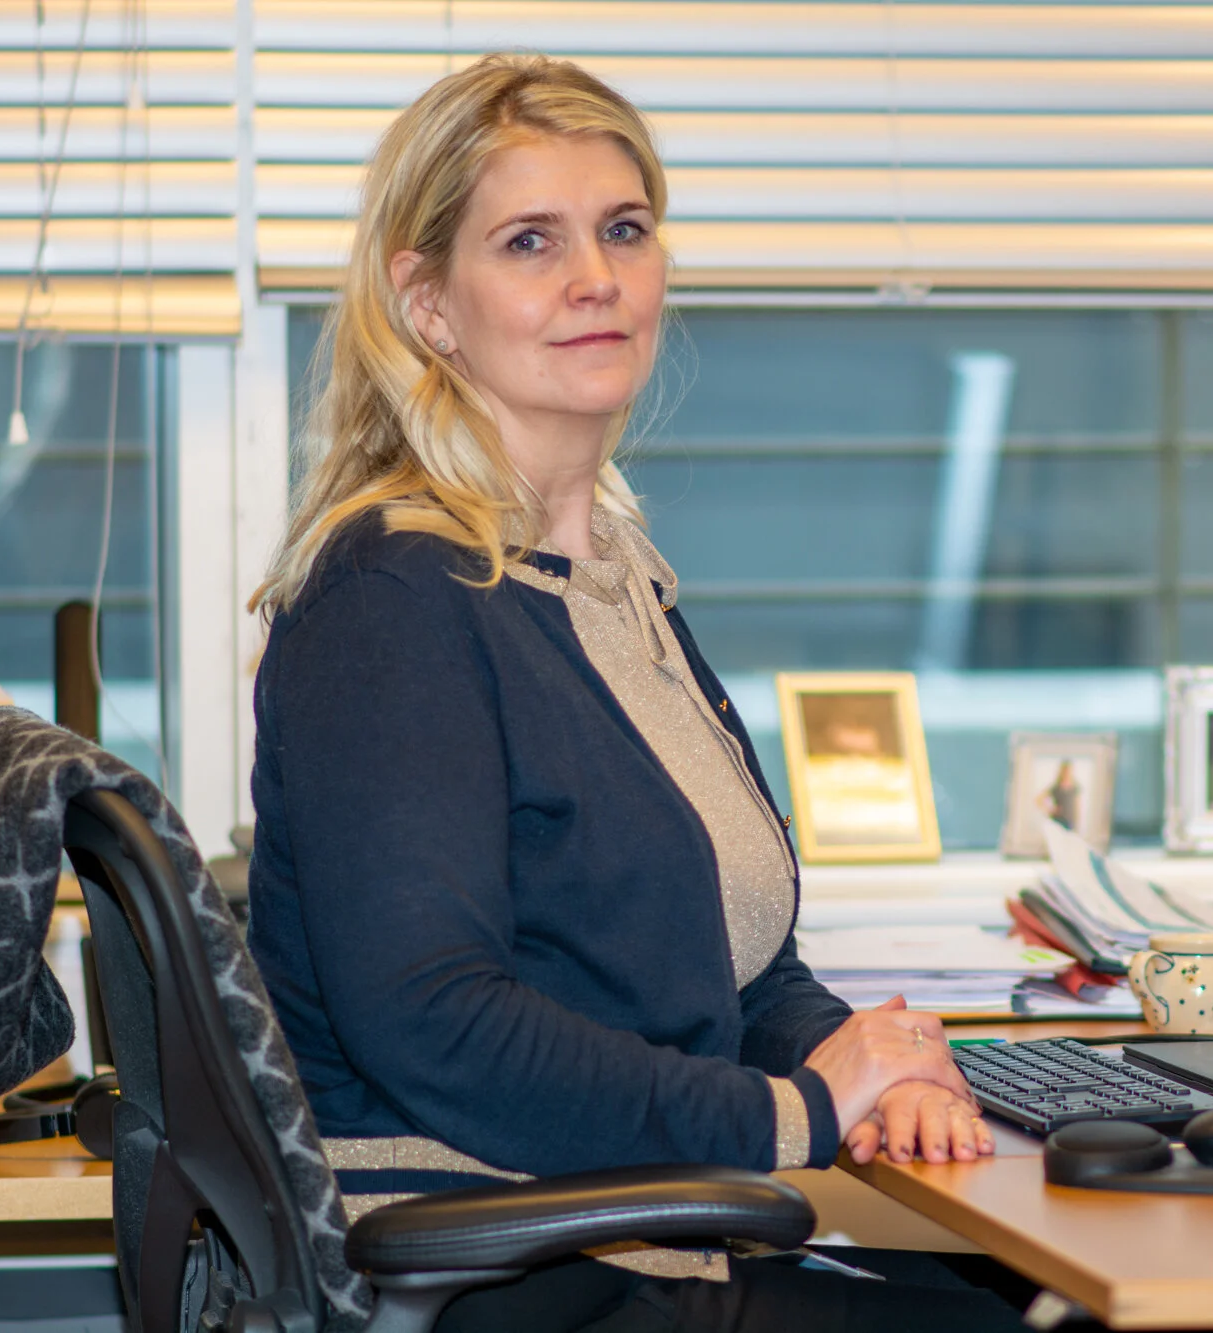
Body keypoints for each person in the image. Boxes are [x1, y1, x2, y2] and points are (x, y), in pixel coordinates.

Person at [243, 53, 1018, 1332]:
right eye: (530, 242)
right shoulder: (393, 598)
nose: (594, 278)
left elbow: (736, 973)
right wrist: (796, 1111)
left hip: (648, 1226)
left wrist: (873, 1064)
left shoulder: (609, 580)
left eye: (622, 229)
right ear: (428, 304)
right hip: (522, 1268)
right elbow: (434, 1025)